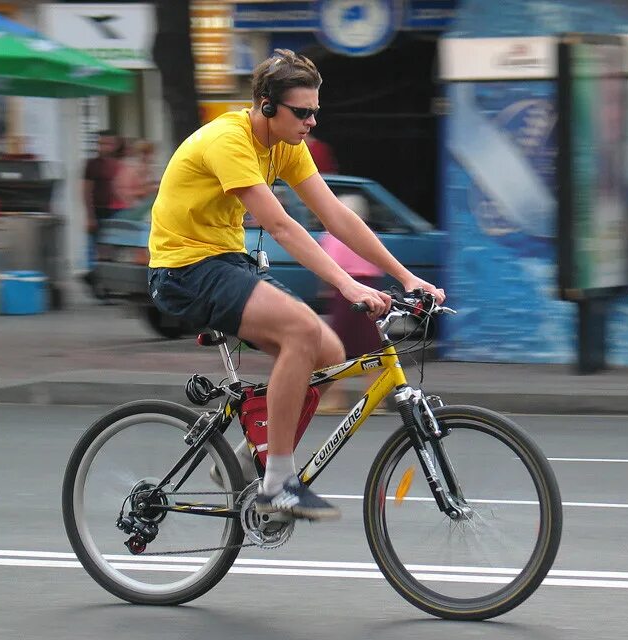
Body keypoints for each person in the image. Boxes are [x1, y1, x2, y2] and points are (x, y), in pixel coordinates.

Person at [147, 49, 444, 521]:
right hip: (185, 269)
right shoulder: (229, 140)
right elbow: (283, 227)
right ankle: (278, 485)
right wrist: (349, 286)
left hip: (228, 262)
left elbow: (337, 215)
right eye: (301, 112)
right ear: (266, 106)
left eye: (315, 112)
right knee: (303, 332)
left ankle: (249, 460)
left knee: (328, 350)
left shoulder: (286, 145)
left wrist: (406, 276)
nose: (310, 122)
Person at [316, 193, 384, 413]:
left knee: (336, 348)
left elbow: (327, 266)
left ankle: (335, 399)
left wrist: (327, 289)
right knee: (371, 347)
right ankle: (377, 399)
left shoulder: (334, 236)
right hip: (369, 290)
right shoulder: (368, 234)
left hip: (346, 294)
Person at [82, 130, 118, 271]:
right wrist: (89, 216)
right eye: (103, 143)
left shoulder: (117, 165)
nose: (106, 147)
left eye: (109, 143)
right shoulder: (93, 165)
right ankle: (93, 274)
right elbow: (86, 189)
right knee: (94, 245)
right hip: (98, 210)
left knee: (110, 246)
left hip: (115, 211)